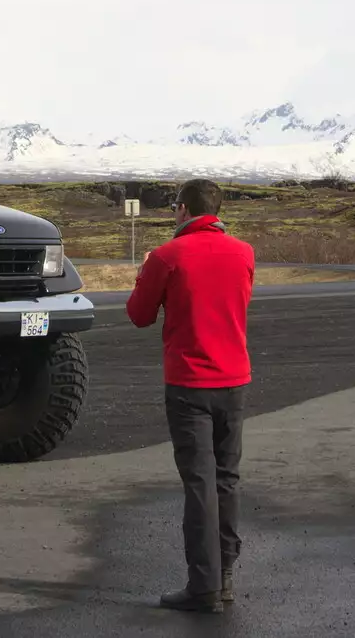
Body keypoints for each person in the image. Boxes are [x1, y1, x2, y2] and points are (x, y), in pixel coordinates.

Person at [125, 178, 254, 613]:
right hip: (234, 379)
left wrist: (145, 272)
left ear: (181, 210)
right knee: (226, 479)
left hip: (189, 384)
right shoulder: (244, 253)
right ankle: (226, 577)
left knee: (199, 484)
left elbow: (139, 315)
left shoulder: (167, 256)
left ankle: (204, 586)